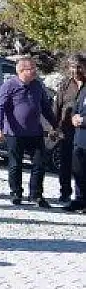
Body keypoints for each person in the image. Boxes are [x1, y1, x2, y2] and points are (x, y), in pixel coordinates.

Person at [0, 56, 58, 206]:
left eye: (35, 68)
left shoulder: (37, 86)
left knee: (39, 164)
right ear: (21, 71)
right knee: (15, 164)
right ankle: (16, 193)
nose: (35, 72)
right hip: (15, 133)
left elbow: (45, 107)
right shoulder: (9, 85)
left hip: (35, 132)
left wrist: (55, 125)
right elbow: (0, 107)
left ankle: (36, 195)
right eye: (32, 69)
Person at [53, 55, 86, 204]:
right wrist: (54, 128)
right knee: (65, 163)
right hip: (66, 131)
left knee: (81, 166)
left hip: (83, 133)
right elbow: (56, 108)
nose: (75, 70)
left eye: (78, 66)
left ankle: (81, 198)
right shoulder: (65, 85)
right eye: (72, 67)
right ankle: (65, 192)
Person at [67, 83, 86, 213]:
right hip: (79, 136)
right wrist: (73, 117)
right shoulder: (84, 88)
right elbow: (76, 106)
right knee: (78, 170)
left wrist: (84, 120)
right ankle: (79, 200)